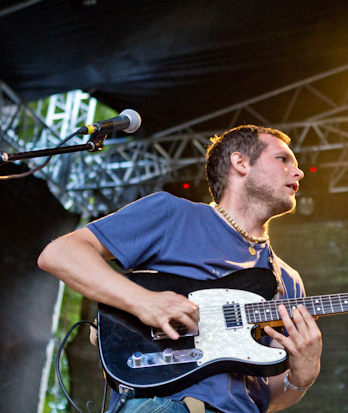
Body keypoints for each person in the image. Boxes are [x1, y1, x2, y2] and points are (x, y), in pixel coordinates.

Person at [38, 124, 323, 412]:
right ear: (240, 163)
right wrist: (142, 301)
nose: (298, 172)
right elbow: (60, 253)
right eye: (283, 160)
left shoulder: (288, 280)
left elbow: (268, 393)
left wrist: (302, 377)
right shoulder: (173, 214)